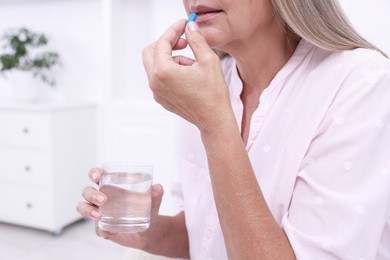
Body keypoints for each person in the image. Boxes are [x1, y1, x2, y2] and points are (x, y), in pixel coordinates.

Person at [77, 0, 390, 259]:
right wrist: (150, 232)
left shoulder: (362, 82)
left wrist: (214, 123)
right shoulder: (208, 82)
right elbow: (206, 233)